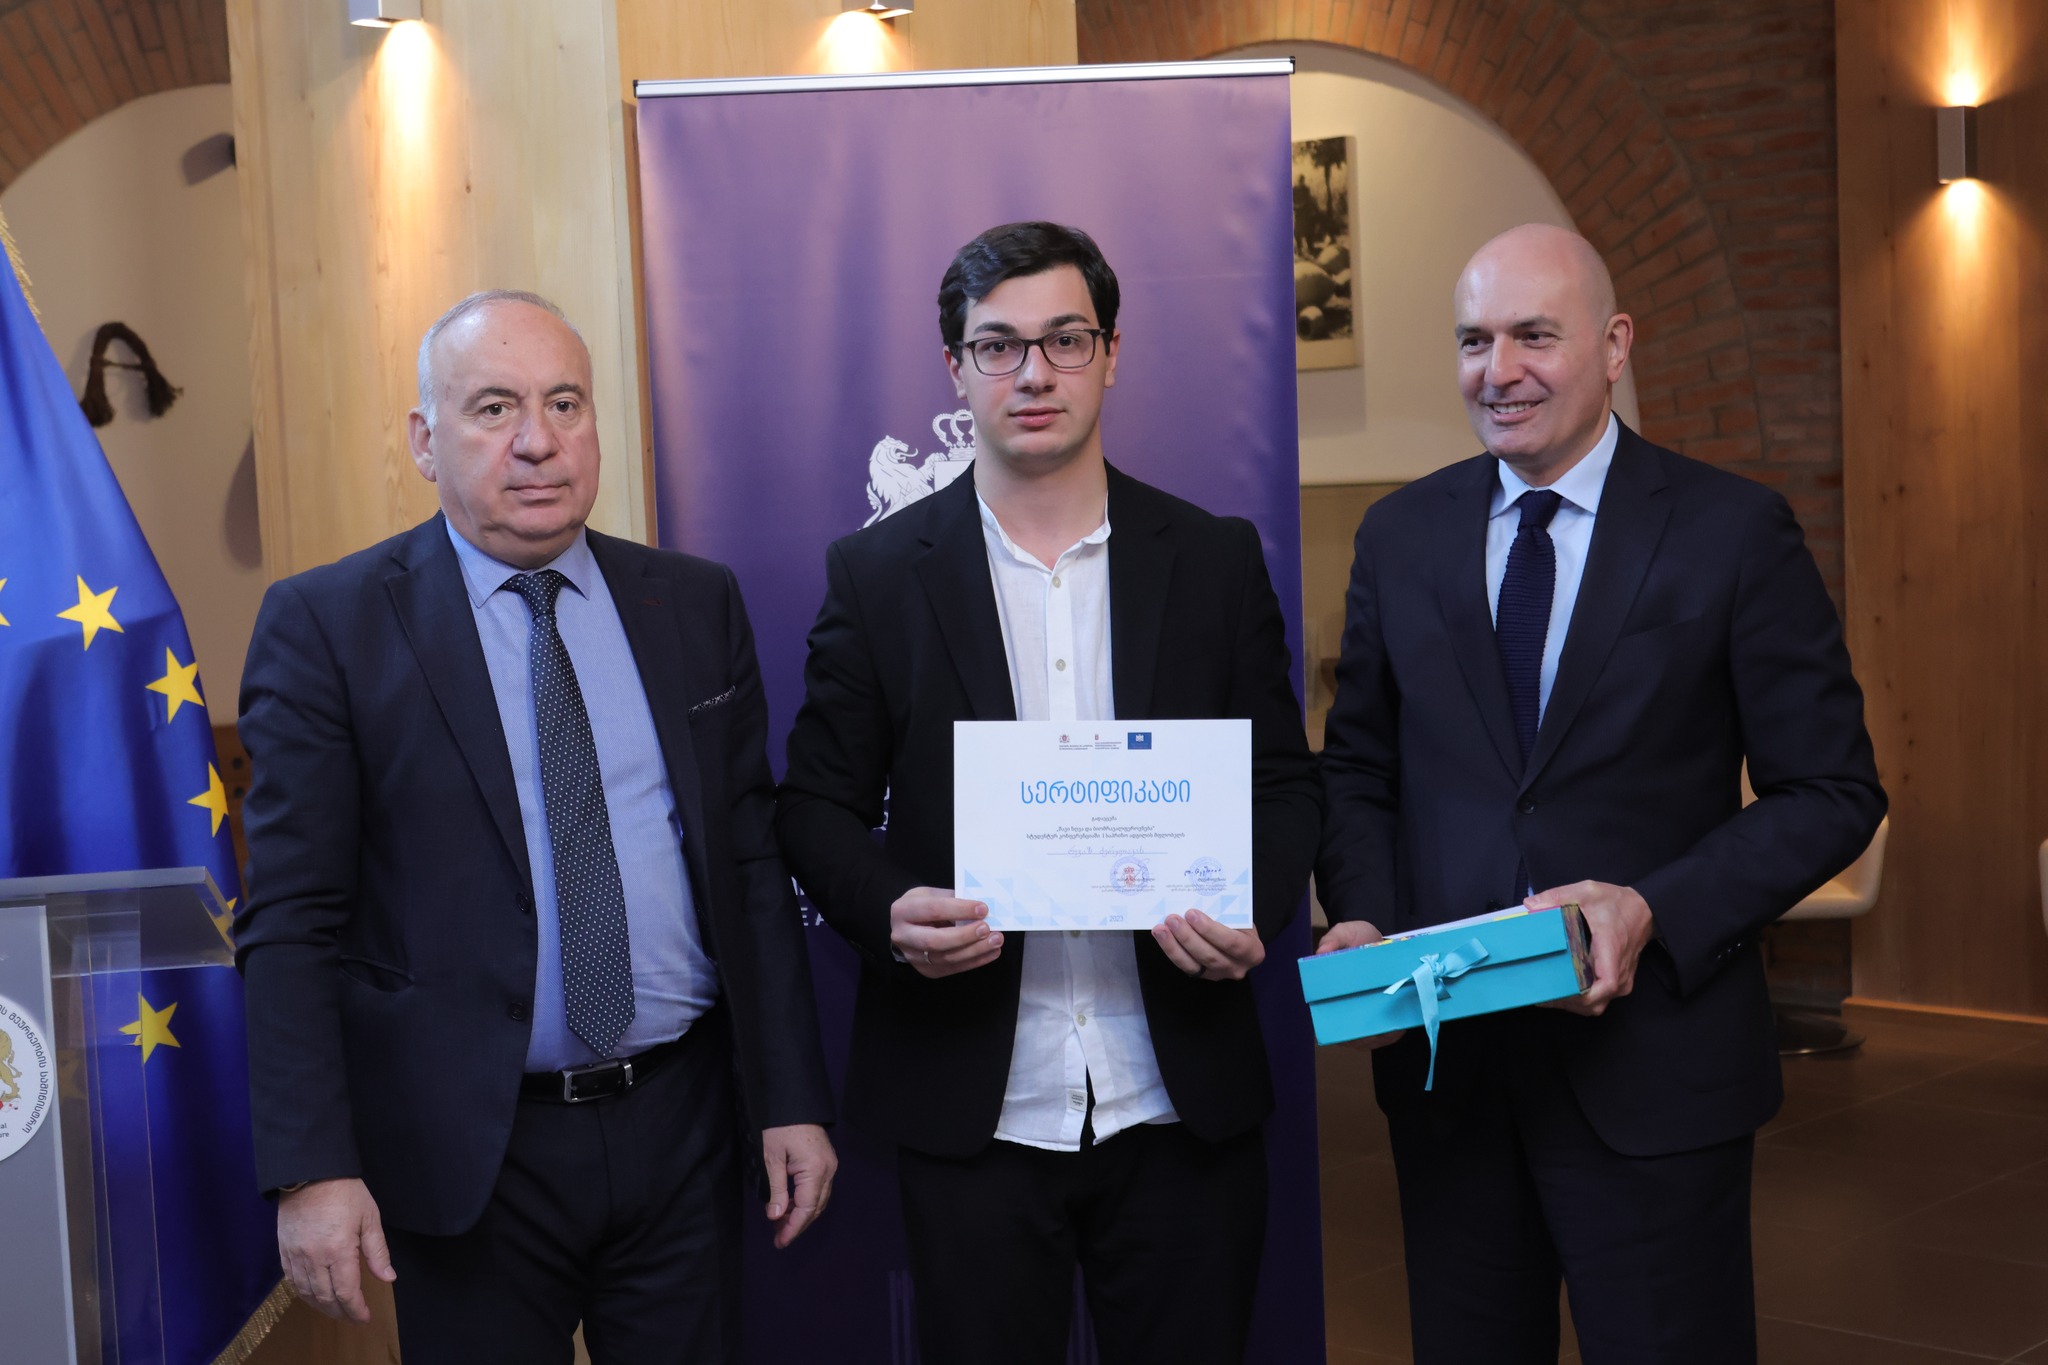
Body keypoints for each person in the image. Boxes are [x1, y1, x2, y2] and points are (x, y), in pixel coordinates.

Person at [1314, 223, 1885, 1364]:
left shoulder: (1731, 532)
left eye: (1534, 335)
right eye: (1473, 341)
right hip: (1450, 1073)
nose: (1498, 370)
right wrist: (1364, 915)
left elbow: (1830, 789)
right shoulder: (1400, 536)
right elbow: (1359, 769)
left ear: (1614, 344)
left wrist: (1652, 907)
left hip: (1656, 1070)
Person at [236, 290, 837, 1364]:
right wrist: (312, 1168)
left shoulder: (692, 603)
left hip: (683, 1126)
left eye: (565, 403)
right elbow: (290, 919)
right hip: (469, 1149)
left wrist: (789, 1097)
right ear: (425, 440)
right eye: (494, 408)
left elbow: (750, 864)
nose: (538, 441)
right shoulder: (330, 624)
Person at [775, 222, 1321, 1364]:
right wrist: (888, 912)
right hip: (974, 1102)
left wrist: (1253, 910)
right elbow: (815, 808)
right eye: (999, 346)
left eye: (1065, 340)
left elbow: (1279, 781)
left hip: (1179, 1096)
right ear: (955, 368)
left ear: (1111, 354)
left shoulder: (1214, 559)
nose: (1033, 373)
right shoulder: (876, 577)